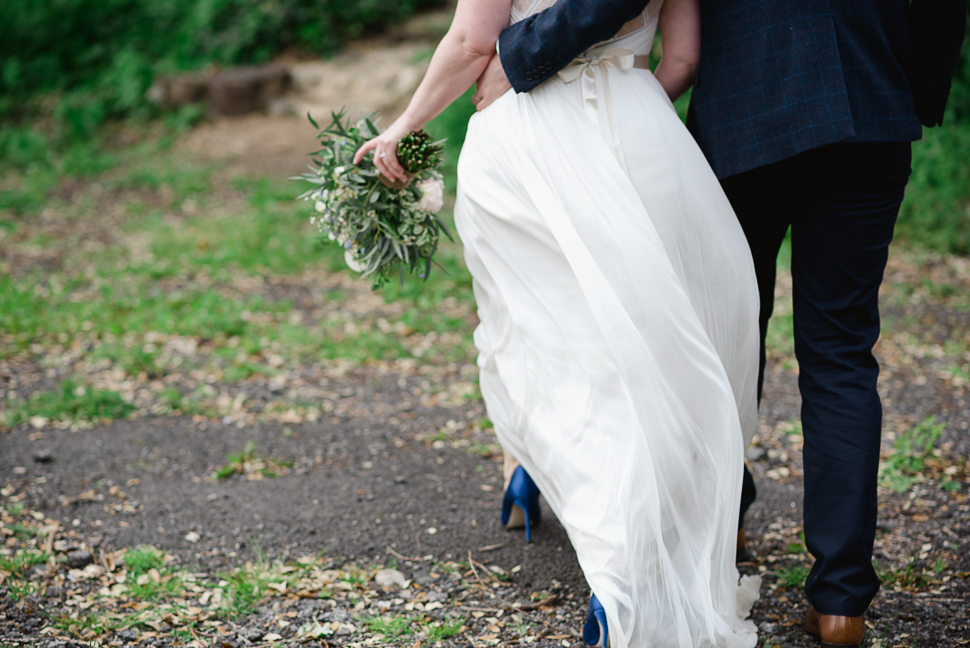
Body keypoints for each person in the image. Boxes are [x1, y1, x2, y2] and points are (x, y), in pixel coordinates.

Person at [473, 1, 968, 647]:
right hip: (870, 105)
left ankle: (722, 524)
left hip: (747, 110)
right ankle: (842, 601)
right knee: (842, 353)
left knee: (721, 329)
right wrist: (915, 89)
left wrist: (519, 59)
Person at [355, 0, 763, 646]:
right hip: (647, 142)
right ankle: (624, 555)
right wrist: (625, 103)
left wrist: (403, 124)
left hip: (530, 146)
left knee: (544, 332)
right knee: (632, 341)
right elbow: (683, 59)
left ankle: (544, 485)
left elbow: (470, 42)